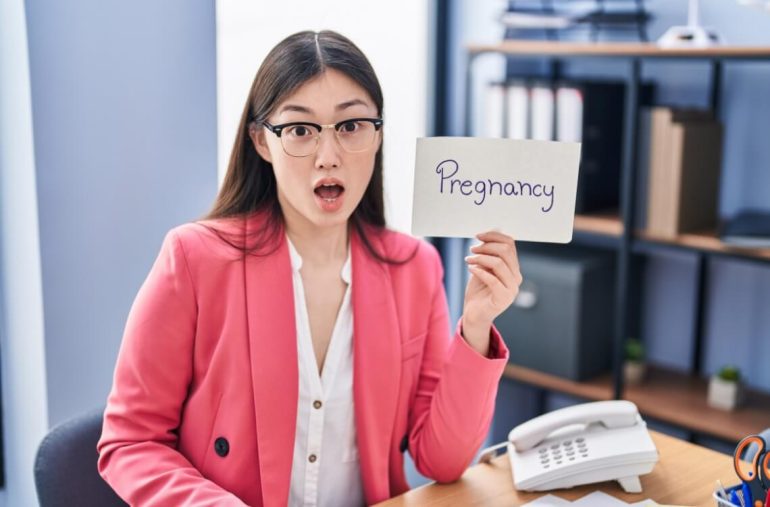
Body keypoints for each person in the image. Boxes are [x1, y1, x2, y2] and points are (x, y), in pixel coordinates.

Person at [97, 30, 522, 507]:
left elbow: (440, 461)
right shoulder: (194, 259)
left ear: (377, 134)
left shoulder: (414, 267)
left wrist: (478, 327)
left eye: (351, 125)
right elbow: (130, 442)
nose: (328, 156)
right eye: (300, 130)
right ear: (262, 141)